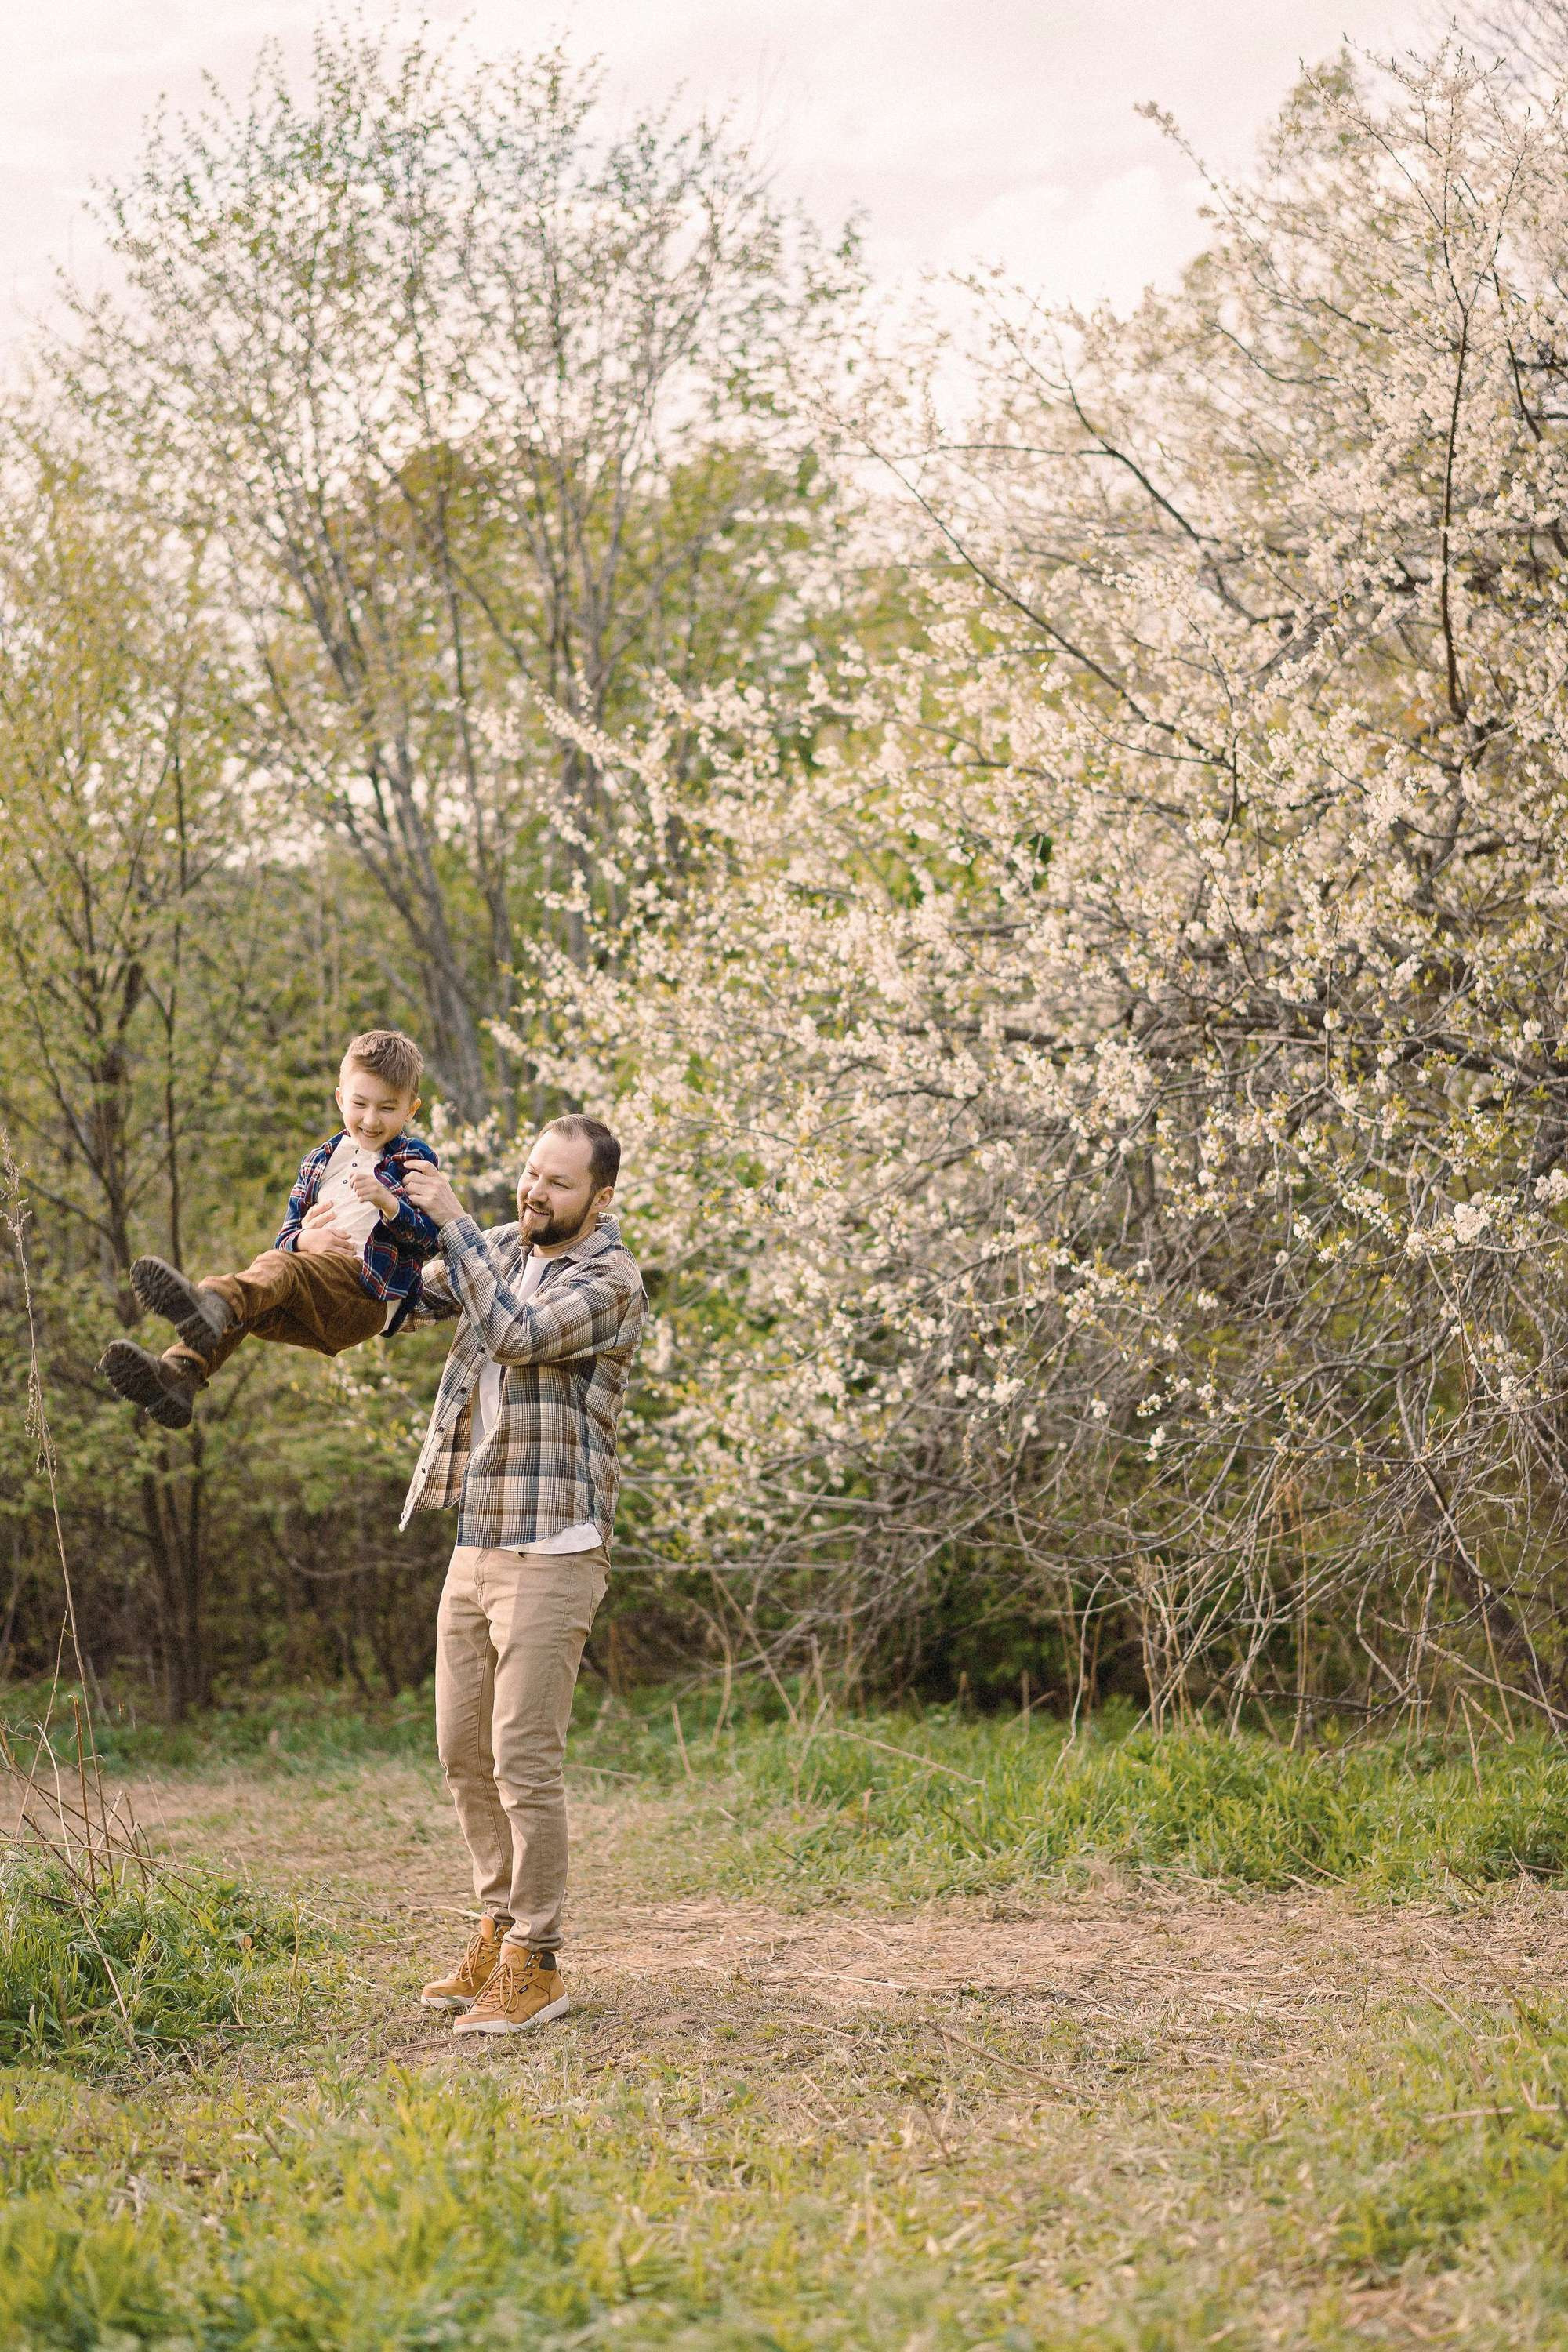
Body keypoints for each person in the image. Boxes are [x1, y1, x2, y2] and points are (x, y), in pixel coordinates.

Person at [397, 1114, 644, 2038]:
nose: (534, 1192)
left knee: (520, 1761)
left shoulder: (611, 1281)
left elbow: (510, 1332)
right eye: (531, 1174)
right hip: (479, 1537)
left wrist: (454, 1224)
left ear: (601, 1198)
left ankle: (537, 1961)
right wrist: (375, 1211)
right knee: (461, 1753)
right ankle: (497, 1929)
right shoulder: (499, 1243)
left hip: (555, 1548)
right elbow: (403, 1299)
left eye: (559, 1183)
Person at [99, 1029, 441, 1431]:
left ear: (410, 1110)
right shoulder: (319, 1161)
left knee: (266, 1277)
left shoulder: (413, 1160)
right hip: (314, 1298)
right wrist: (303, 1239)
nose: (370, 1119)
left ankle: (213, 1300)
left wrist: (389, 1204)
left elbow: (430, 1239)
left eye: (387, 1108)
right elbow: (287, 1236)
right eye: (359, 1103)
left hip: (365, 1297)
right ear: (339, 1099)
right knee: (248, 1305)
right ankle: (178, 1375)